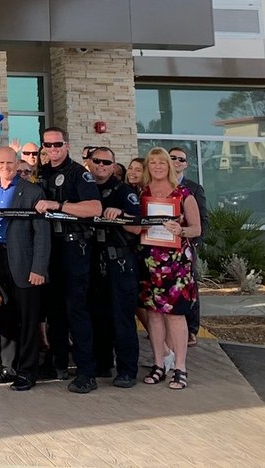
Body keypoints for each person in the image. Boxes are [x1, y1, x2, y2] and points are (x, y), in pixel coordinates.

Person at [34, 126, 102, 393]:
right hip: (50, 249)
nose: (52, 149)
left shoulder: (78, 174)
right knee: (54, 312)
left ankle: (87, 372)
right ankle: (57, 362)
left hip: (74, 248)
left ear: (67, 145)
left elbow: (94, 208)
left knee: (77, 310)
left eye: (57, 145)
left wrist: (59, 206)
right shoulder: (43, 173)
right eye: (47, 145)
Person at [0, 146, 50, 392]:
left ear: (17, 163)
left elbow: (42, 236)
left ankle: (27, 371)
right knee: (6, 319)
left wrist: (38, 268)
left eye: (10, 163)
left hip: (25, 265)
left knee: (28, 320)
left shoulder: (33, 192)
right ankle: (8, 367)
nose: (5, 167)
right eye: (1, 163)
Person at [139, 148, 200, 391]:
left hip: (175, 263)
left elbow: (196, 228)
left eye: (161, 162)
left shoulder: (184, 194)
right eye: (152, 162)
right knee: (153, 315)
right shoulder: (142, 193)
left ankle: (180, 367)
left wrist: (181, 230)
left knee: (175, 315)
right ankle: (159, 364)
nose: (157, 166)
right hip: (149, 261)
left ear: (170, 165)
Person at [88, 146, 141, 388]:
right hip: (93, 260)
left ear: (113, 166)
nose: (101, 166)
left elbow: (138, 227)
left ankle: (127, 370)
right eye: (97, 161)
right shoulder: (84, 188)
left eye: (106, 163)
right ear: (89, 162)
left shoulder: (123, 191)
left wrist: (120, 214)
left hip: (119, 261)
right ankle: (103, 363)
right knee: (98, 316)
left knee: (122, 318)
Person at [170, 146, 208, 347]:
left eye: (181, 159)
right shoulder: (156, 186)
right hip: (163, 249)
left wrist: (194, 244)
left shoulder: (193, 188)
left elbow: (203, 219)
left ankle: (192, 329)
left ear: (186, 164)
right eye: (173, 157)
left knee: (189, 286)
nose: (177, 161)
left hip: (185, 246)